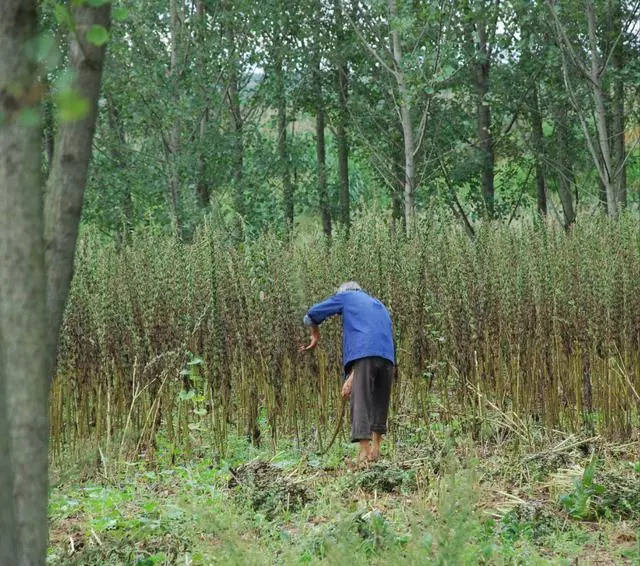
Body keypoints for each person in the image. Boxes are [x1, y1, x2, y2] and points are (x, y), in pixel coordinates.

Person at [300, 281, 395, 463]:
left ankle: (364, 454)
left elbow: (312, 314)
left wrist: (315, 334)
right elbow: (373, 340)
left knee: (360, 400)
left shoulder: (346, 297)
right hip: (387, 355)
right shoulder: (378, 304)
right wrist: (352, 376)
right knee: (379, 402)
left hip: (366, 353)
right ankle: (376, 450)